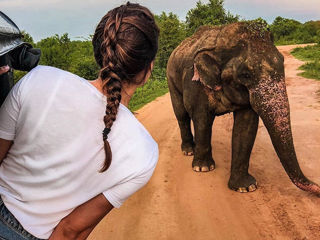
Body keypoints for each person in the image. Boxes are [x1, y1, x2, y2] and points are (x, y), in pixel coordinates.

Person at [0, 2, 159, 239]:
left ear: (99, 51)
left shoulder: (40, 79)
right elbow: (70, 231)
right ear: (148, 69)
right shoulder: (145, 154)